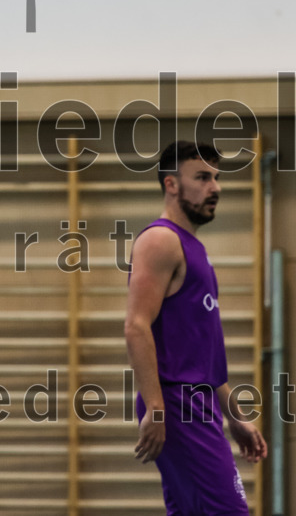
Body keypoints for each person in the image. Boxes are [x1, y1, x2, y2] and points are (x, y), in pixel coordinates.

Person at [126, 140, 267, 513]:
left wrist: (235, 416)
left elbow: (203, 354)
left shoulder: (193, 247)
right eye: (202, 177)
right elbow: (136, 326)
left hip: (198, 401)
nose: (215, 187)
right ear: (171, 184)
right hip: (176, 402)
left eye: (216, 178)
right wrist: (156, 409)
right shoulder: (160, 241)